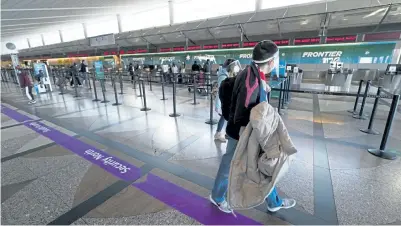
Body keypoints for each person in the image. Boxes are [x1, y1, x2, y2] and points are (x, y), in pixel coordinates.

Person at [210, 40, 296, 213]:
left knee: (258, 166)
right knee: (238, 165)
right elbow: (243, 111)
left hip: (244, 132)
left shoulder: (250, 72)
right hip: (244, 133)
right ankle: (218, 197)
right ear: (271, 62)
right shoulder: (252, 80)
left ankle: (273, 202)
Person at [213, 58, 237, 142]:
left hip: (225, 100)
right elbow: (224, 89)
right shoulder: (223, 76)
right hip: (223, 101)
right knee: (224, 117)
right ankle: (218, 133)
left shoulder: (226, 74)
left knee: (225, 117)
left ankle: (224, 133)